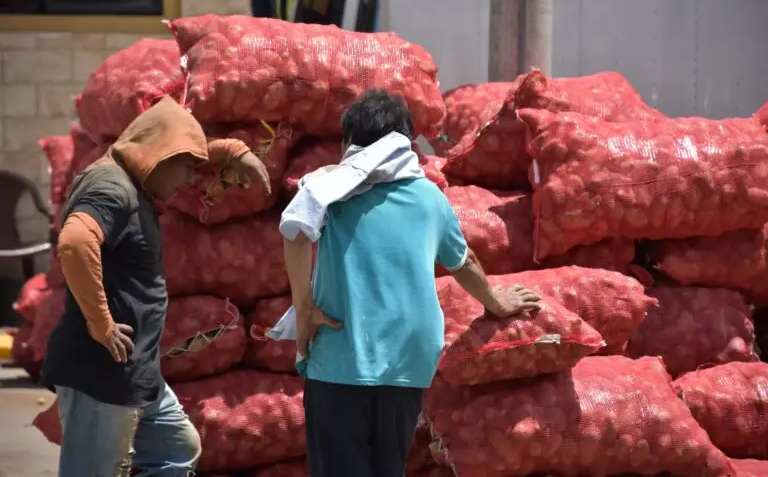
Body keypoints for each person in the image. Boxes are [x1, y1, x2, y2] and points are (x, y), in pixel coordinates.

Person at [280, 89, 541, 477]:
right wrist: (496, 301)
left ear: (350, 144)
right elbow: (463, 260)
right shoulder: (428, 197)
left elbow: (295, 231)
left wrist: (304, 309)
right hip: (408, 364)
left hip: (340, 361)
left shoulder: (331, 191)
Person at [41, 96, 271, 477]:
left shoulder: (134, 180)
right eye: (185, 168)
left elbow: (182, 158)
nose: (187, 182)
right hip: (102, 372)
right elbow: (75, 242)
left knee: (176, 448)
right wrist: (102, 323)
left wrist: (230, 152)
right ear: (161, 156)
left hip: (136, 372)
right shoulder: (110, 186)